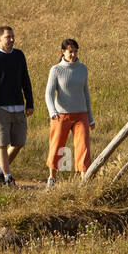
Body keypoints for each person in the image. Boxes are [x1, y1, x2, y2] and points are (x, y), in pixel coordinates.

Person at [0, 25, 34, 188]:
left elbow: (25, 79)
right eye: (7, 37)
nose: (11, 40)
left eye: (12, 37)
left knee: (19, 143)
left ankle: (0, 170)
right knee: (2, 144)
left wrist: (30, 103)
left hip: (18, 106)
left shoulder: (19, 55)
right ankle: (7, 177)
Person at [44, 38, 95, 188]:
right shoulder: (56, 70)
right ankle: (52, 178)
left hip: (81, 114)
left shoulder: (82, 69)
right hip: (61, 115)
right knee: (57, 146)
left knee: (83, 146)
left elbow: (86, 93)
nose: (73, 54)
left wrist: (90, 118)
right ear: (63, 52)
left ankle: (84, 180)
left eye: (75, 51)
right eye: (70, 51)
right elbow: (48, 93)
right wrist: (52, 111)